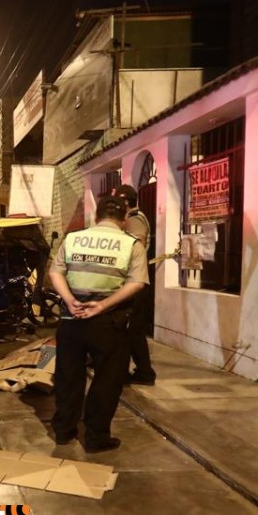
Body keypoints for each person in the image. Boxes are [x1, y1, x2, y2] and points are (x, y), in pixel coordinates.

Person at [48, 195, 148, 452]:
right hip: (108, 323)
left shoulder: (73, 238)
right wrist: (103, 305)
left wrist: (70, 300)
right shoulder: (131, 244)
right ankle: (96, 437)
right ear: (124, 219)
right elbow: (137, 283)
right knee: (107, 379)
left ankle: (63, 431)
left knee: (68, 376)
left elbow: (55, 272)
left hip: (71, 319)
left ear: (96, 216)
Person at [114, 183, 158, 385]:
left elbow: (137, 243)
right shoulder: (132, 218)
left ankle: (138, 372)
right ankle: (142, 372)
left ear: (124, 202)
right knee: (133, 331)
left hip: (135, 282)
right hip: (135, 281)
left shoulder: (134, 219)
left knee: (129, 330)